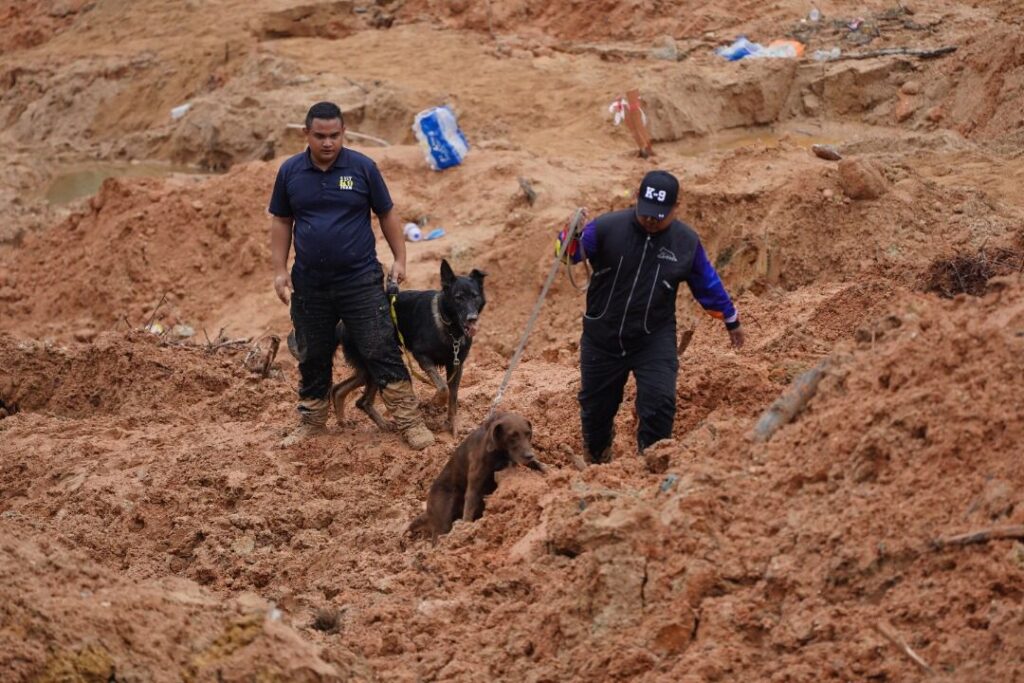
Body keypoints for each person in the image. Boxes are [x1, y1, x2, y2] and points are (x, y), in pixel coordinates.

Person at [268, 101, 434, 450]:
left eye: (335, 135)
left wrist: (400, 259)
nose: (328, 143)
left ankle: (409, 420)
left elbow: (387, 214)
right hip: (310, 282)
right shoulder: (290, 172)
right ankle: (312, 420)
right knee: (313, 352)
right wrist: (280, 270)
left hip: (359, 279)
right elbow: (282, 221)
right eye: (320, 136)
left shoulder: (362, 168)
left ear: (344, 132)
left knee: (380, 345)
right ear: (306, 134)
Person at [557, 170, 744, 463]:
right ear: (637, 200)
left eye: (659, 216)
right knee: (595, 410)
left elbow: (707, 284)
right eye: (646, 214)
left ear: (675, 209)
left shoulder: (685, 242)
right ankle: (597, 457)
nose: (651, 221)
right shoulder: (606, 227)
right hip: (602, 337)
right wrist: (570, 234)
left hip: (652, 339)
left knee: (660, 402)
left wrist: (730, 318)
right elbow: (568, 255)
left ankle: (653, 463)